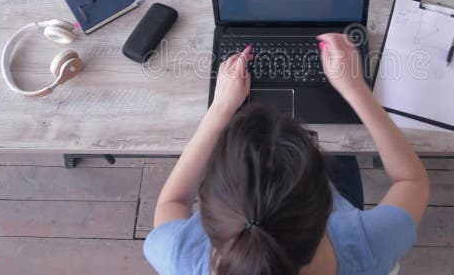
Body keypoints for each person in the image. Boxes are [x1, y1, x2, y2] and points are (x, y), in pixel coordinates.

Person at [144, 33, 430, 275]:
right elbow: (412, 180)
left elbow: (173, 200)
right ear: (327, 206)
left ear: (208, 212)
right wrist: (355, 89)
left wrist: (220, 109)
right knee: (343, 154)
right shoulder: (366, 248)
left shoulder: (181, 257)